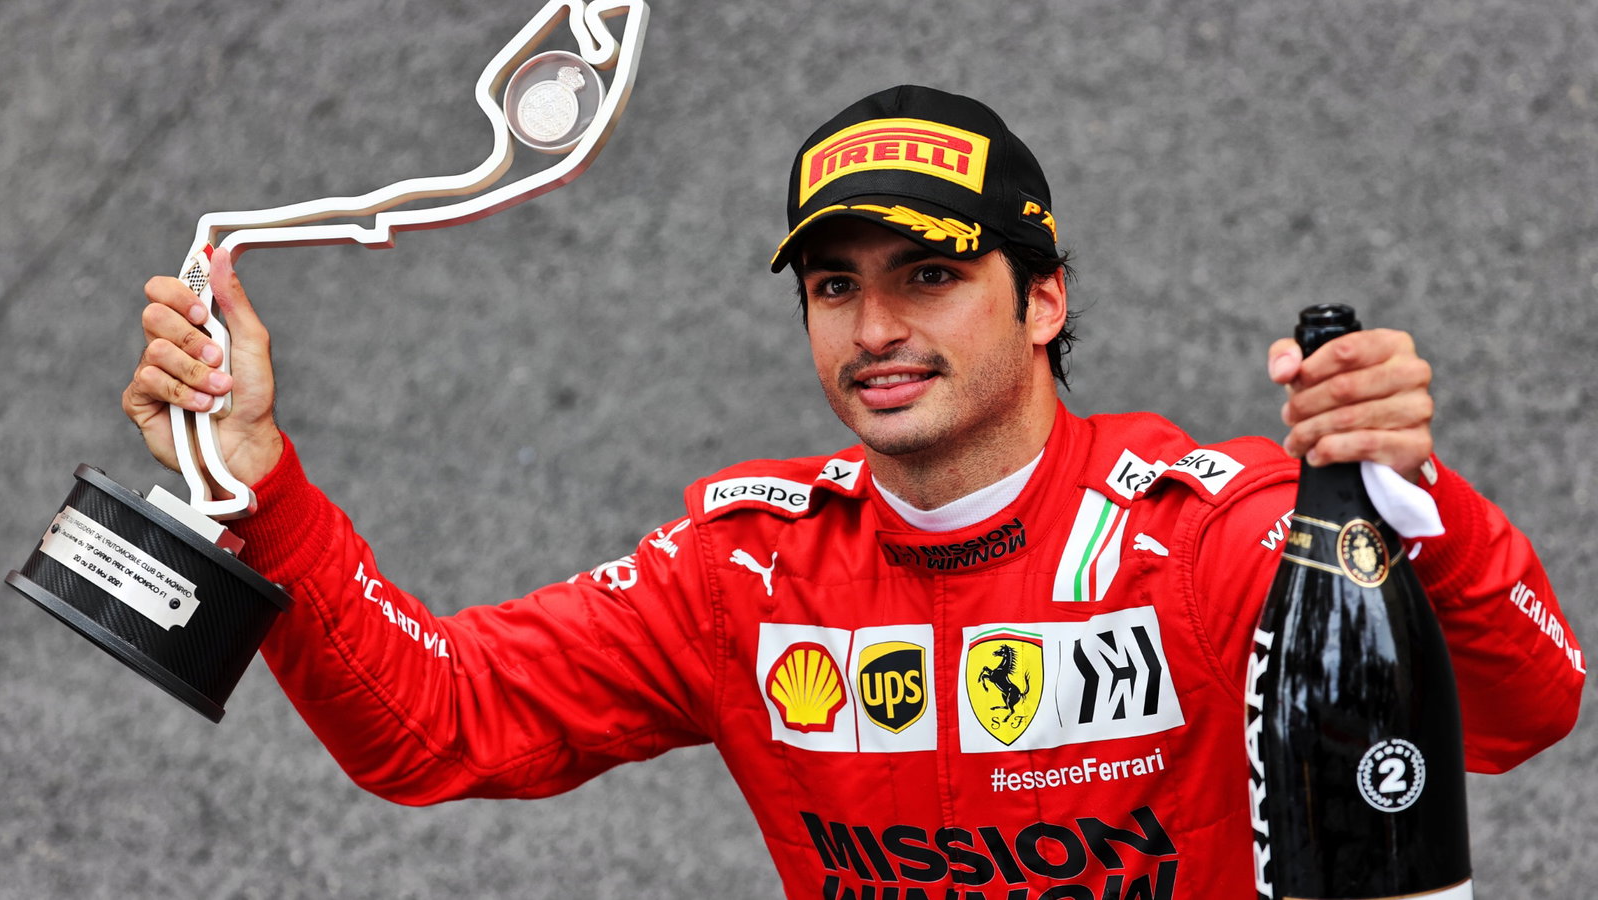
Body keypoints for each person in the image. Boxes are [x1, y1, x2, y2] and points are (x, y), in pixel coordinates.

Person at [124, 85, 1582, 899]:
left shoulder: (1201, 529)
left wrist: (1409, 503)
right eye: (837, 287)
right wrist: (260, 485)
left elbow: (1524, 709)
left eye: (932, 276)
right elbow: (434, 724)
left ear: (1047, 300)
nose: (876, 328)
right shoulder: (744, 569)